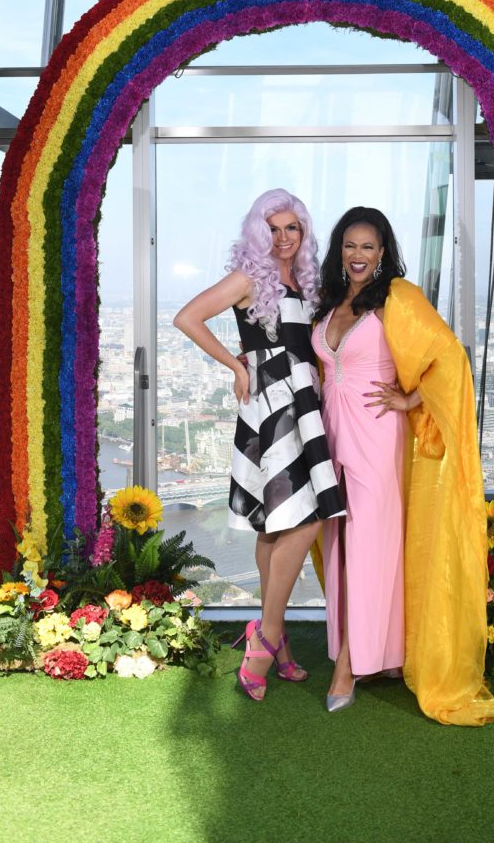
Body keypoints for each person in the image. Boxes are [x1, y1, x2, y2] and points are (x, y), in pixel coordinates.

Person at [312, 206, 494, 725]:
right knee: (340, 550)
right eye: (350, 245)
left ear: (383, 253)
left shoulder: (398, 298)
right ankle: (373, 655)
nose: (358, 255)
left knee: (368, 553)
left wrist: (409, 400)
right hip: (329, 440)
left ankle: (348, 669)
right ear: (340, 251)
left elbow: (450, 358)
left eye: (368, 246)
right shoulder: (331, 301)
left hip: (377, 442)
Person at [174, 189, 344, 701]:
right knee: (303, 518)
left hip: (304, 400)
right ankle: (268, 635)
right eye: (273, 229)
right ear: (258, 232)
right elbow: (187, 317)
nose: (284, 238)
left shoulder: (304, 280)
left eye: (292, 228)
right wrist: (237, 364)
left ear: (304, 232)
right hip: (272, 403)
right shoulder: (249, 278)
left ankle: (275, 640)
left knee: (276, 523)